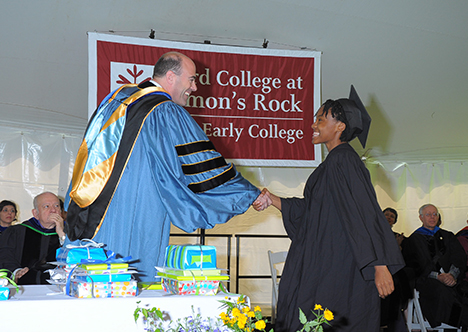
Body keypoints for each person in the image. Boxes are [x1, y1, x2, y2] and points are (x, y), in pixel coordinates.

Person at [64, 52, 260, 281]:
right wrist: (248, 193)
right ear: (170, 77)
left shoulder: (117, 98)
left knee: (91, 285)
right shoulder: (164, 110)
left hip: (92, 208)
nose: (195, 87)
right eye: (191, 79)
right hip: (134, 210)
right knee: (127, 287)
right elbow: (200, 168)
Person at [253, 86, 404, 332]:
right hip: (323, 261)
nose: (313, 125)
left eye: (320, 119)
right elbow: (313, 211)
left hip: (341, 264)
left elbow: (365, 212)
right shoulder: (332, 163)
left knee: (332, 318)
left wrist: (379, 265)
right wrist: (273, 199)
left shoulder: (345, 160)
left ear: (340, 126)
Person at [402, 204, 467, 328]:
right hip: (428, 280)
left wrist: (452, 274)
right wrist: (438, 276)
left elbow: (459, 257)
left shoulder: (448, 236)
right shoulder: (413, 240)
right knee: (441, 292)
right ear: (421, 218)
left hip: (452, 279)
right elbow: (415, 266)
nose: (432, 217)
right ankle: (457, 322)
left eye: (434, 214)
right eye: (428, 214)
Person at [0, 192, 65, 284]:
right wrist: (16, 271)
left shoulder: (70, 235)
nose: (53, 210)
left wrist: (62, 234)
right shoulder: (16, 232)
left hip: (59, 287)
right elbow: (5, 256)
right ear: (36, 213)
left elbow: (75, 259)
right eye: (47, 206)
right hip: (23, 286)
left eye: (57, 206)